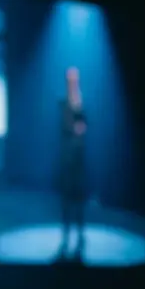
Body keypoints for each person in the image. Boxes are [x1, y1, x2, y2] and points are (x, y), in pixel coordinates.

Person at [57, 66, 88, 262]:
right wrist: (75, 126)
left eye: (75, 79)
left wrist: (80, 125)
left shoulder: (81, 102)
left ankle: (80, 235)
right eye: (70, 79)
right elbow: (66, 125)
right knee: (67, 199)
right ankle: (66, 236)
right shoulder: (63, 103)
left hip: (79, 158)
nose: (73, 82)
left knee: (79, 199)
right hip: (68, 158)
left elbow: (84, 125)